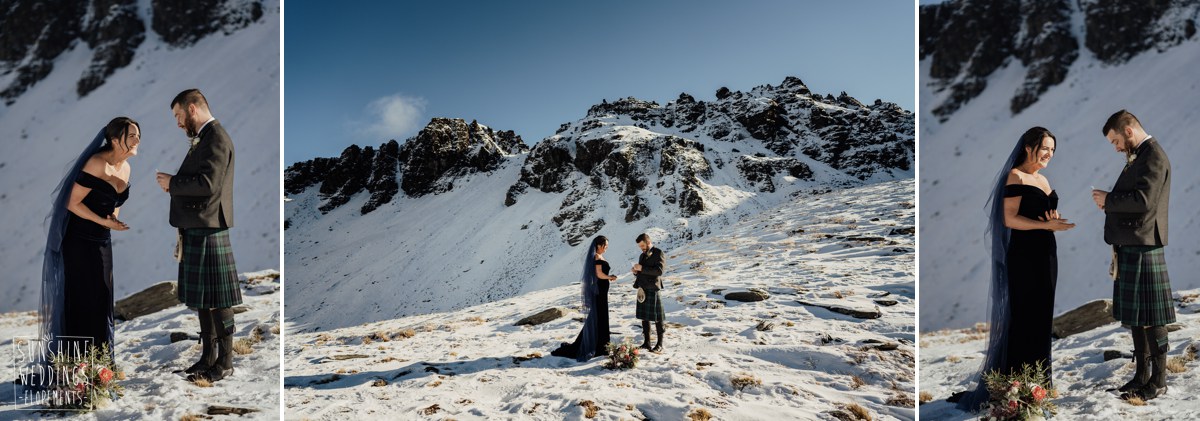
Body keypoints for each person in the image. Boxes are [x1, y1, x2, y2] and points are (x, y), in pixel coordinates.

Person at [958, 127, 1075, 411]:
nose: (1049, 154)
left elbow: (1038, 213)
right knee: (1024, 317)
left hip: (1046, 252)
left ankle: (1038, 385)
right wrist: (1046, 225)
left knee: (1042, 317)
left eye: (1052, 150)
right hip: (1023, 256)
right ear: (1028, 147)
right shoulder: (1015, 176)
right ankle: (1015, 385)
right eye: (1045, 148)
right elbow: (1009, 219)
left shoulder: (1043, 179)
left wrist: (1052, 219)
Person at [156, 89, 242, 383]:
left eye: (179, 116)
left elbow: (208, 184)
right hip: (199, 226)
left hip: (209, 227)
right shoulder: (205, 138)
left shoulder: (216, 137)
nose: (178, 123)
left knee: (218, 297)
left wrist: (173, 183)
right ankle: (208, 357)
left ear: (192, 109)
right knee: (204, 298)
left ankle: (226, 362)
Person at [40, 117, 140, 362]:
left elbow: (114, 203)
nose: (137, 140)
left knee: (101, 296)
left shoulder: (126, 168)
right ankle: (75, 365)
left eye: (138, 135)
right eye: (132, 135)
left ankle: (100, 362)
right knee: (81, 297)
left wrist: (113, 220)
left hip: (101, 240)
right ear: (115, 141)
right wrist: (105, 222)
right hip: (78, 240)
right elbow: (71, 203)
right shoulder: (96, 163)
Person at [1091, 110, 1174, 401]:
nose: (1115, 147)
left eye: (1115, 140)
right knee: (1138, 316)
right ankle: (1142, 376)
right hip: (1133, 244)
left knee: (1152, 315)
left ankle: (1159, 380)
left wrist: (1108, 200)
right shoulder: (1139, 155)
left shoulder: (1153, 155)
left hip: (1144, 245)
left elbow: (1144, 201)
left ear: (1128, 130)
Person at [551, 235, 617, 361]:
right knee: (599, 317)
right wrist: (610, 277)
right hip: (599, 291)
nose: (606, 248)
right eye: (605, 246)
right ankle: (599, 346)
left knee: (600, 317)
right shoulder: (597, 257)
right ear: (598, 245)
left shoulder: (600, 256)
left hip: (602, 290)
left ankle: (601, 345)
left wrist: (609, 278)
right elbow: (599, 274)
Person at [633, 233, 667, 352]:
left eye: (642, 245)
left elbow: (659, 271)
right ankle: (647, 343)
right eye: (639, 246)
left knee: (658, 317)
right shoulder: (642, 256)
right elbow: (642, 271)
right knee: (644, 317)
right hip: (643, 288)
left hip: (653, 288)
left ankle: (660, 344)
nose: (641, 248)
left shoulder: (658, 253)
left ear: (648, 242)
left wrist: (641, 269)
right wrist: (636, 271)